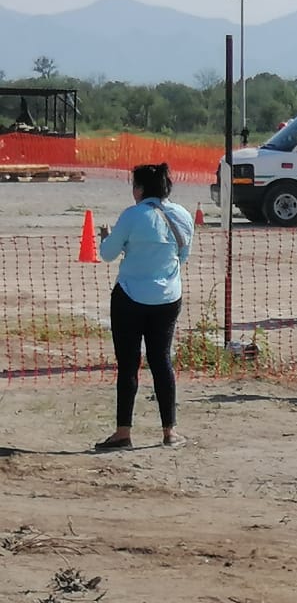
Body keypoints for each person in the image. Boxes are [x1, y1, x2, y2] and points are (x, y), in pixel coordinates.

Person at [95, 162, 194, 449]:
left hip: (130, 295)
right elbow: (183, 255)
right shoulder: (183, 215)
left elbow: (107, 254)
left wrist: (106, 236)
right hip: (168, 297)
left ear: (139, 189)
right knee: (162, 361)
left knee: (128, 365)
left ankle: (123, 432)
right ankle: (170, 431)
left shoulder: (133, 215)